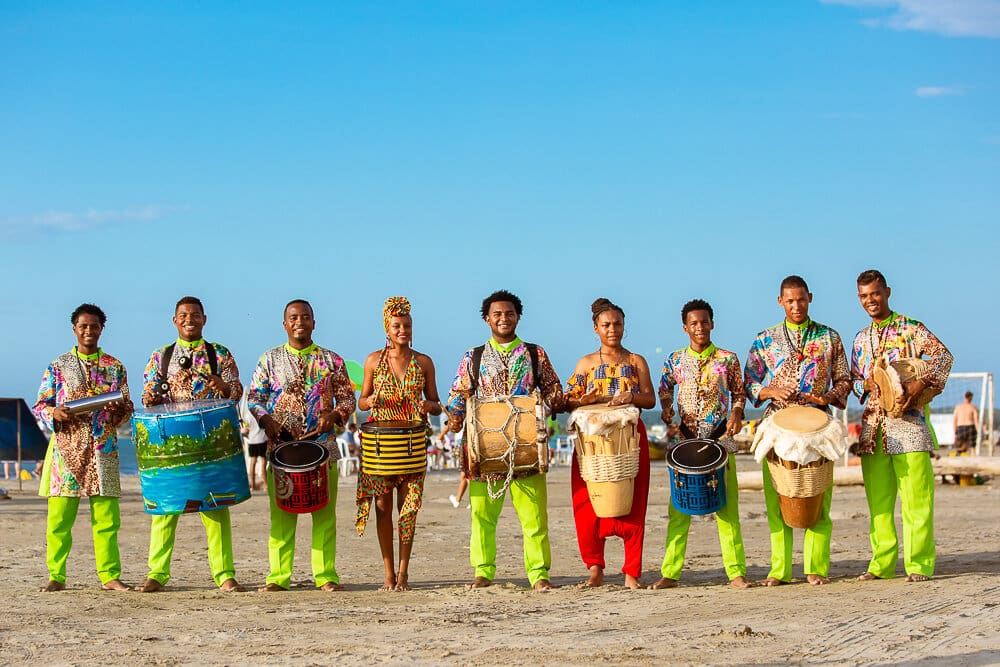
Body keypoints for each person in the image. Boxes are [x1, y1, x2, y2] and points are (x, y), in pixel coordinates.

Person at [446, 289, 565, 591]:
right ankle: (483, 571)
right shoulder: (472, 357)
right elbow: (459, 395)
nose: (503, 318)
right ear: (487, 319)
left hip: (527, 447)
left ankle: (539, 575)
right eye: (497, 314)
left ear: (518, 317)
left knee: (535, 517)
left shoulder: (535, 354)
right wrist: (455, 417)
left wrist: (551, 406)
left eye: (509, 313)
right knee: (482, 517)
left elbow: (553, 389)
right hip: (485, 450)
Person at [744, 275, 851, 586]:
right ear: (780, 302)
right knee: (777, 498)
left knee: (819, 498)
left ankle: (816, 567)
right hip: (777, 428)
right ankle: (779, 570)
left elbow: (844, 381)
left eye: (801, 299)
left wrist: (826, 397)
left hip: (819, 428)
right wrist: (770, 391)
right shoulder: (764, 340)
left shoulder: (829, 337)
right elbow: (749, 382)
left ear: (810, 298)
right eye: (789, 300)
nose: (796, 305)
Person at [851, 269, 953, 582]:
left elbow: (944, 358)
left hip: (909, 425)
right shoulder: (859, 339)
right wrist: (867, 384)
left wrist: (918, 384)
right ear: (860, 298)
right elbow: (855, 382)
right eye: (865, 296)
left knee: (916, 500)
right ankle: (881, 563)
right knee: (879, 503)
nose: (871, 300)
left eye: (876, 293)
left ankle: (919, 563)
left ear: (887, 292)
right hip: (873, 430)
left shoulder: (911, 328)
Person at [139, 296, 245, 593]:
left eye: (195, 315)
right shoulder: (161, 356)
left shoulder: (219, 353)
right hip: (171, 439)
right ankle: (157, 574)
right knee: (165, 509)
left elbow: (236, 390)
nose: (189, 319)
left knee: (216, 506)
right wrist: (151, 397)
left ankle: (224, 574)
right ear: (174, 320)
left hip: (210, 439)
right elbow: (148, 395)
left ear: (204, 319)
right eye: (183, 315)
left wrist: (224, 387)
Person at [248, 299, 356, 592]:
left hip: (323, 448)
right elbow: (254, 399)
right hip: (280, 450)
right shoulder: (268, 360)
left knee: (324, 514)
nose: (299, 322)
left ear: (314, 323)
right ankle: (278, 577)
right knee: (282, 515)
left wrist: (333, 414)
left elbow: (348, 399)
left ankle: (325, 576)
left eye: (305, 317)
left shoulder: (332, 360)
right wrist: (266, 420)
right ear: (284, 324)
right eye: (293, 317)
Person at [652, 299, 752, 590]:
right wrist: (667, 408)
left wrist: (736, 413)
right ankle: (670, 573)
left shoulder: (727, 358)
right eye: (694, 323)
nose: (700, 327)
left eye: (704, 321)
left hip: (722, 439)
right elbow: (664, 387)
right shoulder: (674, 359)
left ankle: (736, 573)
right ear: (685, 327)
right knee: (679, 508)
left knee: (727, 507)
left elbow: (740, 393)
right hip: (684, 439)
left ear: (712, 323)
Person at [32, 303, 133, 592]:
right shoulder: (58, 365)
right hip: (66, 449)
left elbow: (126, 406)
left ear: (102, 329)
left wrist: (117, 412)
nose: (89, 330)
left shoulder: (115, 367)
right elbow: (40, 405)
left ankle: (109, 576)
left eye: (94, 326)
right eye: (83, 326)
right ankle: (56, 575)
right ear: (75, 329)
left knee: (107, 520)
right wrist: (55, 413)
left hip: (104, 447)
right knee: (59, 519)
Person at [564, 298, 655, 589]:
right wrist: (584, 400)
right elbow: (568, 401)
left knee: (634, 502)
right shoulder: (587, 363)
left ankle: (631, 571)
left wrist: (631, 396)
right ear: (595, 328)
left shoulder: (635, 361)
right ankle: (595, 568)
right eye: (606, 325)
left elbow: (650, 399)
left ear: (624, 326)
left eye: (617, 324)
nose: (612, 329)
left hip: (629, 438)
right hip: (591, 442)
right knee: (586, 504)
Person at [355, 297, 441, 591]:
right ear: (387, 330)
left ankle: (404, 574)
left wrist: (426, 406)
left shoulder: (424, 362)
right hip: (381, 444)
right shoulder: (373, 361)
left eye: (406, 325)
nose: (403, 330)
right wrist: (372, 400)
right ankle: (388, 574)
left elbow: (437, 404)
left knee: (409, 509)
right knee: (382, 507)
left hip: (413, 442)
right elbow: (362, 401)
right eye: (397, 326)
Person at [239, 389, 267, 491]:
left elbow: (244, 429)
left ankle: (253, 485)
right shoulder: (257, 409)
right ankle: (265, 485)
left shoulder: (245, 413)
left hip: (253, 440)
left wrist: (244, 429)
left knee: (253, 462)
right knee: (262, 461)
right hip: (260, 438)